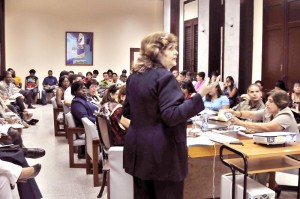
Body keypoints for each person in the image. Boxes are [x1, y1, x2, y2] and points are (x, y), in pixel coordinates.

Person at [122, 32, 215, 199]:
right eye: (171, 49)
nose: (176, 53)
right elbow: (171, 116)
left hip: (138, 151)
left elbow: (127, 111)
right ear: (157, 52)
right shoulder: (164, 77)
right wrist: (199, 95)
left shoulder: (134, 77)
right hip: (162, 155)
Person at [228, 89, 298, 186]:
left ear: (280, 103)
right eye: (267, 100)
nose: (267, 103)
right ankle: (252, 186)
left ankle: (258, 188)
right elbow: (253, 114)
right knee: (253, 162)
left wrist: (241, 123)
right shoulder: (269, 111)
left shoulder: (286, 116)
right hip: (276, 149)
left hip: (291, 155)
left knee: (259, 163)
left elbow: (268, 127)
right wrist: (237, 113)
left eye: (271, 101)